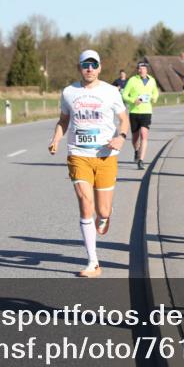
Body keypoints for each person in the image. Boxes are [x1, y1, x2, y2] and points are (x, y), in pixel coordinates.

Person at [49, 50, 130, 278]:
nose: (90, 69)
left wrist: (121, 137)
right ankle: (93, 262)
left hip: (105, 156)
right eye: (86, 65)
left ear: (100, 68)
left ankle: (105, 215)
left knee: (101, 210)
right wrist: (56, 138)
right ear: (80, 67)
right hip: (78, 154)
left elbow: (124, 120)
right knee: (86, 203)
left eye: (94, 65)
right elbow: (63, 121)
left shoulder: (111, 91)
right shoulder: (69, 92)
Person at [122, 60, 160, 170]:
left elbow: (155, 92)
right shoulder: (132, 80)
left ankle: (141, 160)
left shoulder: (152, 80)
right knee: (135, 138)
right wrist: (133, 100)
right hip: (134, 112)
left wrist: (155, 98)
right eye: (139, 68)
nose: (141, 70)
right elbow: (124, 95)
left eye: (143, 68)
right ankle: (136, 150)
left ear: (146, 69)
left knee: (144, 134)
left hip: (146, 111)